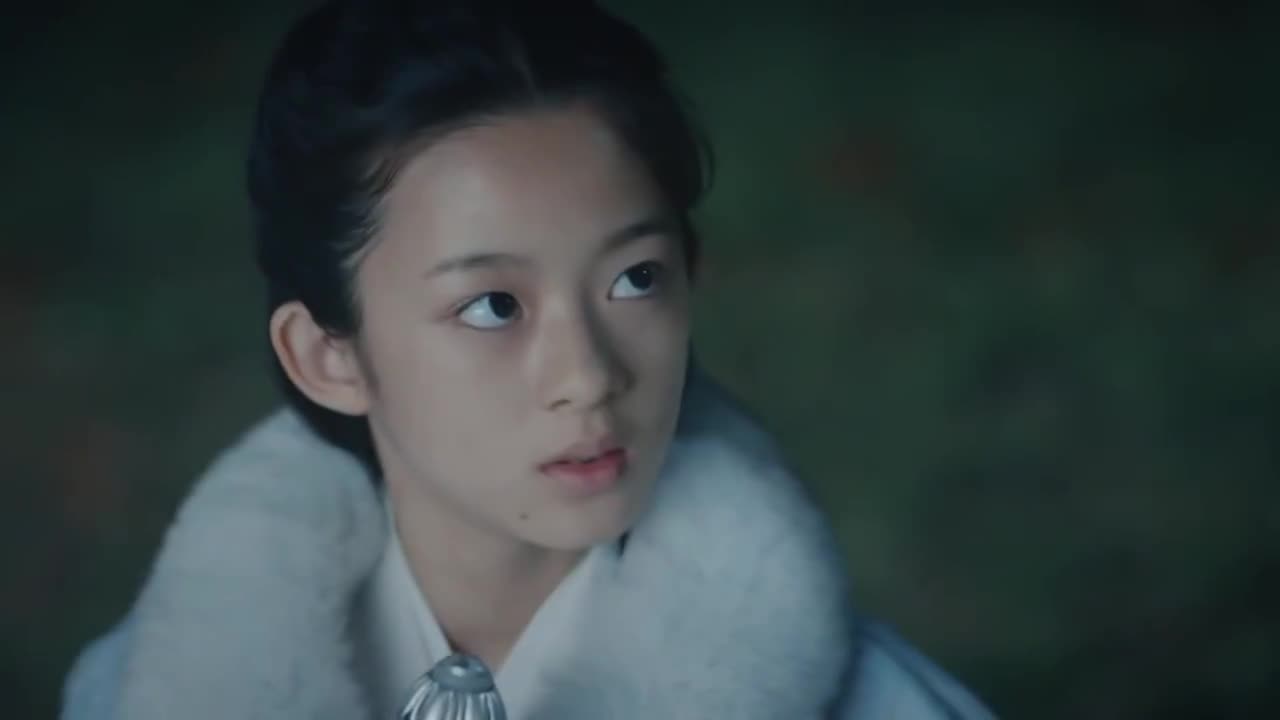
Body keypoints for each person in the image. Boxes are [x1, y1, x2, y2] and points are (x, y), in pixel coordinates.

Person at [60, 1, 996, 718]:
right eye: (492, 305)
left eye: (635, 279)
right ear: (328, 356)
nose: (588, 376)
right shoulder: (130, 695)